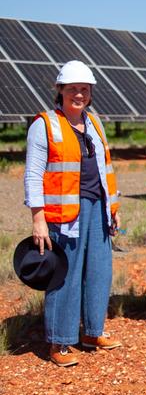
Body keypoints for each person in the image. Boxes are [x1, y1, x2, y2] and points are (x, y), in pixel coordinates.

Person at [24, 60, 122, 367]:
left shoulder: (94, 122)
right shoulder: (45, 124)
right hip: (64, 211)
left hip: (97, 207)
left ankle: (93, 331)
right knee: (64, 275)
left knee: (99, 270)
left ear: (90, 92)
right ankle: (59, 341)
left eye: (84, 89)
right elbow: (32, 175)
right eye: (72, 89)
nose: (78, 94)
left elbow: (105, 169)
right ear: (60, 90)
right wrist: (38, 218)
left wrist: (113, 208)